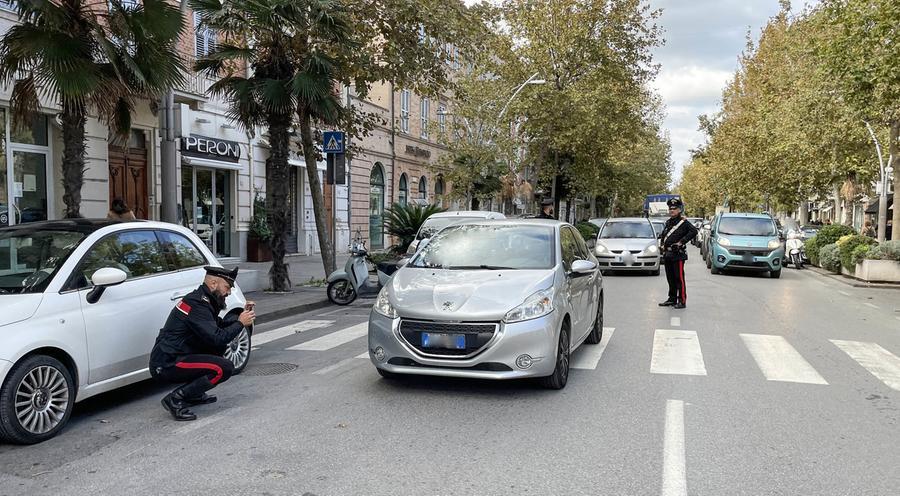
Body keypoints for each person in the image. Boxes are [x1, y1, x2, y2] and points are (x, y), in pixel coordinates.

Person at [149, 266, 255, 421]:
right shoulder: (197, 304)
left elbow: (217, 326)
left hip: (178, 355)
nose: (229, 292)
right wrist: (240, 324)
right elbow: (217, 337)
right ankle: (175, 399)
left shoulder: (204, 300)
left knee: (217, 349)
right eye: (227, 287)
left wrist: (241, 316)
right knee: (223, 368)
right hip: (168, 362)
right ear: (213, 283)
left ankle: (194, 394)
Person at [658, 198, 698, 310]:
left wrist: (681, 242)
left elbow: (694, 231)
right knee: (670, 278)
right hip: (668, 254)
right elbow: (664, 236)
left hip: (677, 255)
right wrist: (662, 246)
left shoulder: (683, 223)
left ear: (679, 210)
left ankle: (682, 300)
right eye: (670, 208)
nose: (672, 210)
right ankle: (672, 298)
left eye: (674, 208)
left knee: (679, 279)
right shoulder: (668, 222)